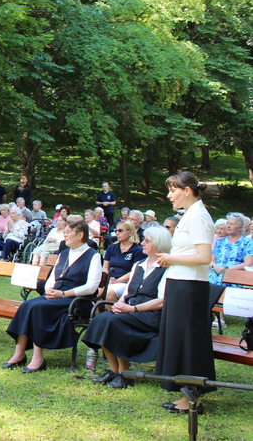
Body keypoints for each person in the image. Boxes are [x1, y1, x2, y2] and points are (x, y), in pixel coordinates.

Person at [3, 216, 102, 372]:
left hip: (77, 300)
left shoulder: (93, 255)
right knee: (27, 305)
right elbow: (53, 278)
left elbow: (91, 287)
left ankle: (38, 358)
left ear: (80, 235)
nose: (64, 235)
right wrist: (49, 289)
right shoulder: (64, 254)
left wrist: (63, 294)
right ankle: (19, 354)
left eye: (68, 232)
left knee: (39, 308)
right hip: (56, 295)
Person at [155, 172, 215, 414]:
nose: (169, 196)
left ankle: (194, 398)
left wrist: (170, 258)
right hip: (180, 283)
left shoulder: (199, 216)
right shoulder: (190, 214)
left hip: (190, 286)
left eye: (173, 190)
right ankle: (186, 394)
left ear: (187, 191)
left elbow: (204, 257)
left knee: (190, 340)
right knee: (180, 339)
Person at [83, 226, 171, 389]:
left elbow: (162, 301)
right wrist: (119, 304)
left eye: (147, 241)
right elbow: (128, 291)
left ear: (159, 245)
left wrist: (132, 309)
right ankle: (113, 369)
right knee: (102, 318)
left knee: (115, 323)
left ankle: (125, 373)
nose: (142, 243)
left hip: (151, 316)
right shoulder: (139, 265)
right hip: (132, 311)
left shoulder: (167, 268)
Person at [103, 221, 145, 300]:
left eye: (120, 230)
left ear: (130, 232)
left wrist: (117, 281)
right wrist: (106, 279)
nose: (117, 233)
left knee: (109, 292)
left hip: (126, 282)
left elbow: (135, 271)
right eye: (116, 231)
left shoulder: (138, 250)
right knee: (97, 291)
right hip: (110, 280)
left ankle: (113, 311)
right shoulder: (111, 248)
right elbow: (105, 267)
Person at [209, 212, 253, 286]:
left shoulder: (248, 242)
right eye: (227, 223)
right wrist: (215, 267)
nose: (228, 226)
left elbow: (248, 263)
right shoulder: (220, 241)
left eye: (232, 224)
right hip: (214, 275)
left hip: (234, 278)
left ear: (241, 227)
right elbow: (211, 260)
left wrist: (227, 270)